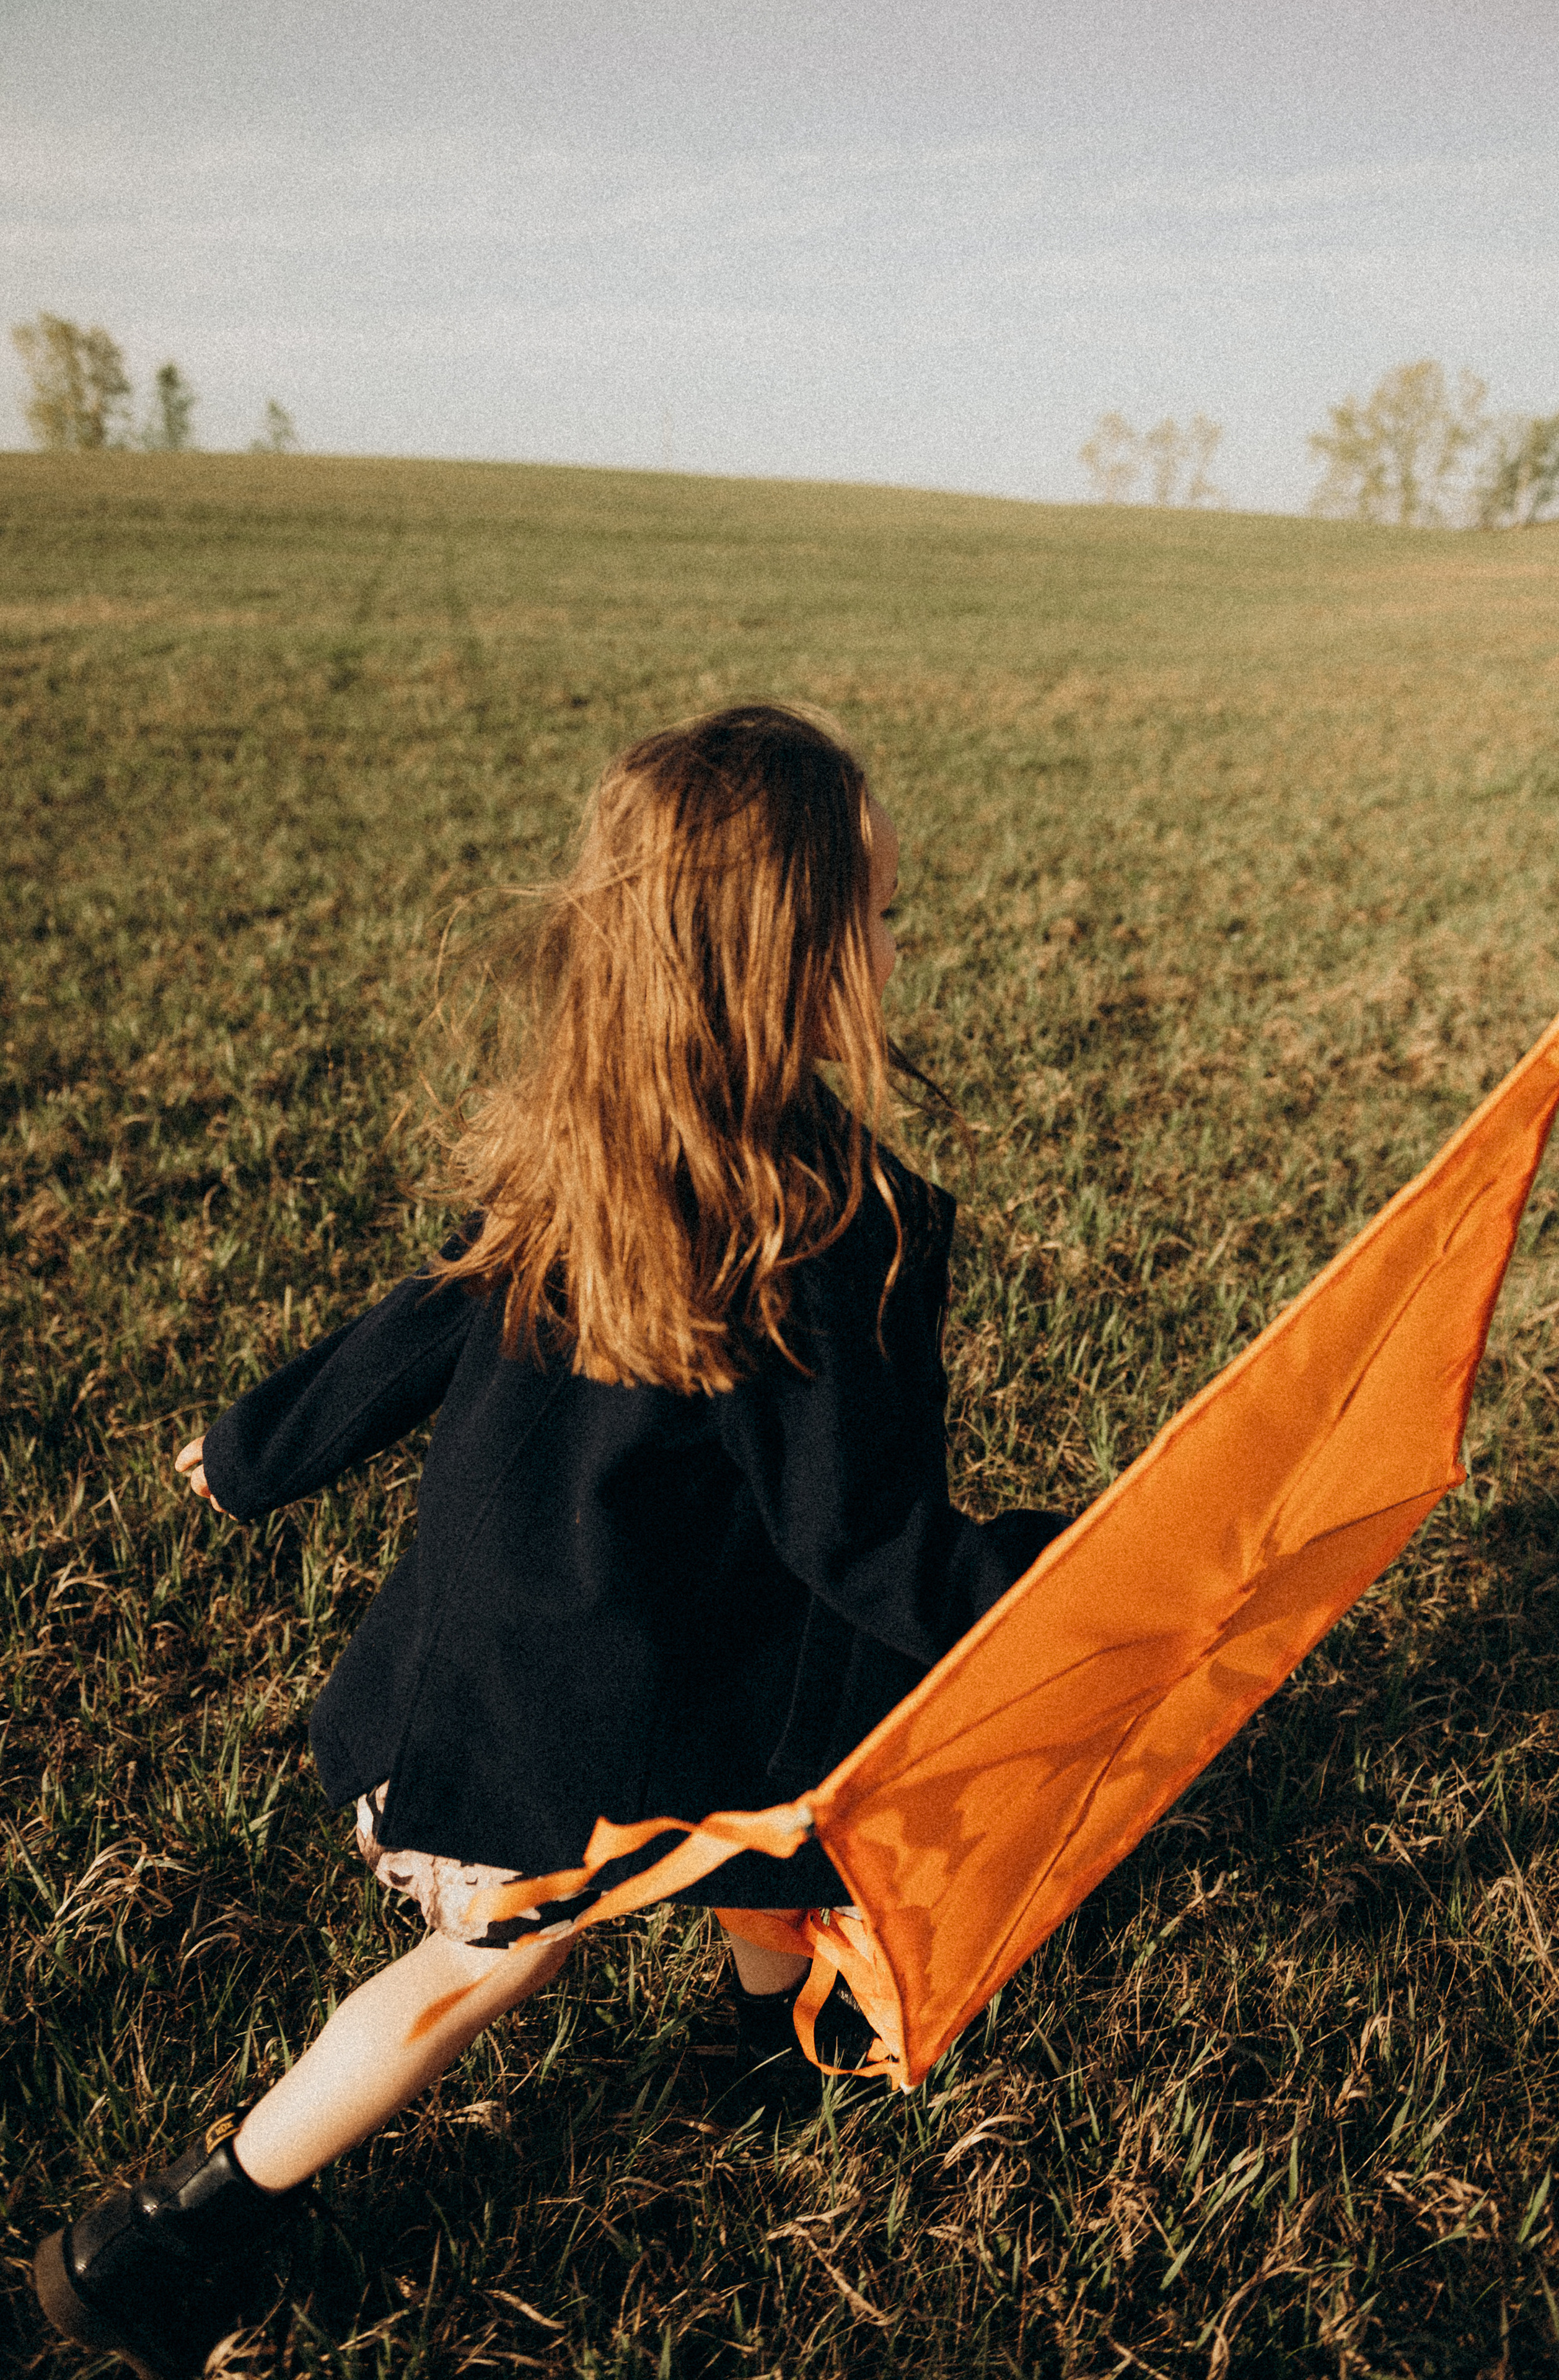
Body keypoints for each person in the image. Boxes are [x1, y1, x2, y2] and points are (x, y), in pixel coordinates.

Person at [33, 704, 1061, 2380]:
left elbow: (419, 1319)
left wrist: (247, 1448)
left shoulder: (592, 1124)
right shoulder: (819, 1216)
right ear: (787, 960)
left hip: (556, 1623)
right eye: (875, 914)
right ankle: (182, 2232)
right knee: (478, 1966)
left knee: (783, 1766)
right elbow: (859, 1540)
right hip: (574, 1692)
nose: (896, 940)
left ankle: (762, 2040)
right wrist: (1068, 1576)